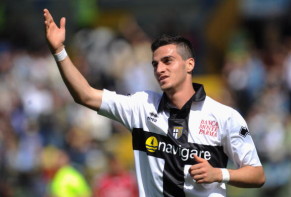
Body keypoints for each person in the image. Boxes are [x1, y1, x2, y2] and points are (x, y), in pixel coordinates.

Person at [43, 8, 265, 197]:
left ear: (189, 64)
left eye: (168, 61)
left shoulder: (225, 116)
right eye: (155, 64)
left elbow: (257, 174)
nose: (159, 69)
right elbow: (85, 95)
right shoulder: (141, 106)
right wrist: (59, 51)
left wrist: (220, 174)